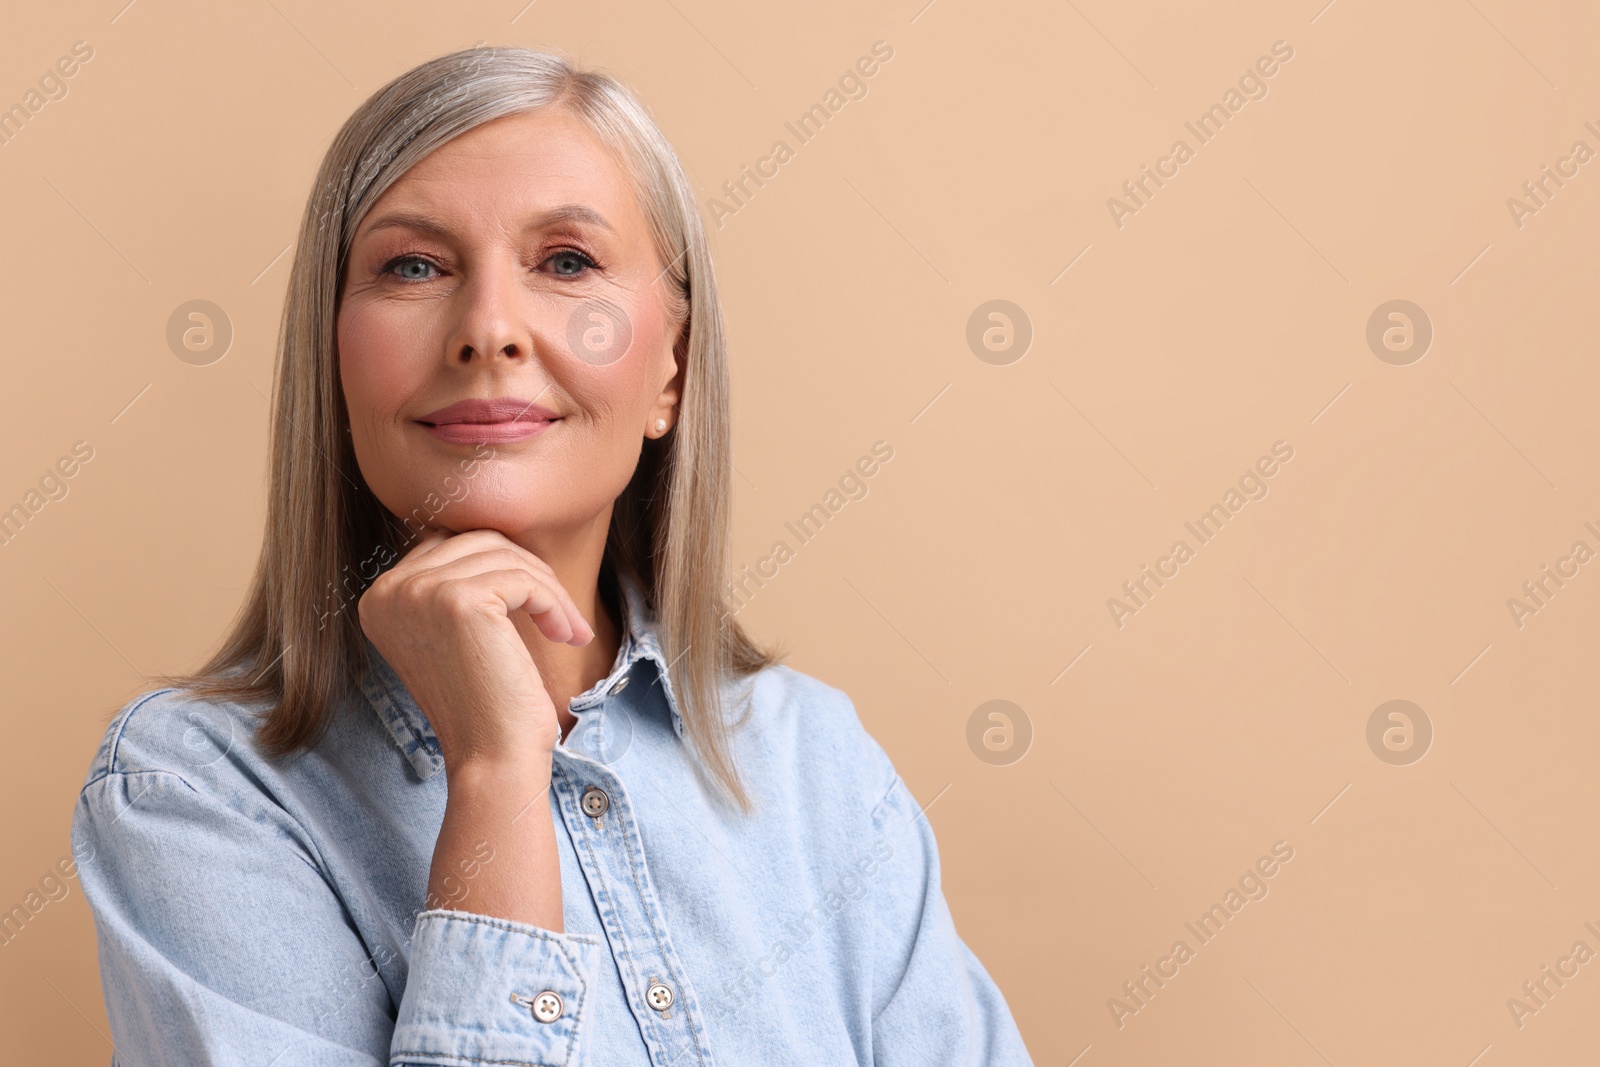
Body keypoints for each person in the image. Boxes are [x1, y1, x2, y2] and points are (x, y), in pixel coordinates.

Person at [70, 44, 1034, 1066]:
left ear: (671, 367)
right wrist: (493, 775)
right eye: (413, 265)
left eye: (566, 262)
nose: (487, 328)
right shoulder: (190, 790)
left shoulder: (816, 762)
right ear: (334, 356)